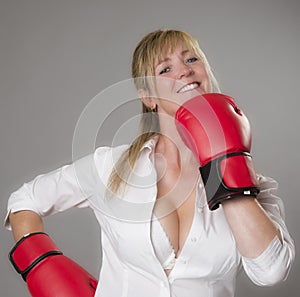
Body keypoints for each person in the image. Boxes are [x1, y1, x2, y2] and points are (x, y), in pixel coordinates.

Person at [5, 29, 295, 297]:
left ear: (206, 74)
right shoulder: (110, 168)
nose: (184, 71)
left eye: (192, 58)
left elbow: (271, 272)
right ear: (148, 96)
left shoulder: (252, 185)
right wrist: (42, 264)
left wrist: (226, 162)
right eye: (165, 69)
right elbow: (24, 200)